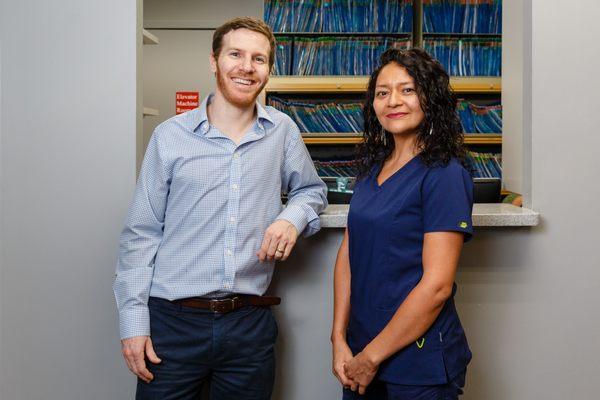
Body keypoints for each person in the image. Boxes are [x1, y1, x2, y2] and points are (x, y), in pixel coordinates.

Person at [114, 17, 327, 400]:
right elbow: (140, 234)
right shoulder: (170, 136)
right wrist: (133, 323)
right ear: (214, 61)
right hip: (173, 325)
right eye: (236, 55)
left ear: (268, 70)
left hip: (249, 324)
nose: (247, 67)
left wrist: (290, 219)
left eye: (259, 59)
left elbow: (311, 192)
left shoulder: (282, 131)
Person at [331, 48, 474, 400]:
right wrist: (337, 338)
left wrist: (371, 357)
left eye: (408, 90)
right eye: (382, 92)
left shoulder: (444, 174)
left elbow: (437, 286)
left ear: (431, 98)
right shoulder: (371, 170)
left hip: (417, 363)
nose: (393, 101)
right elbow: (349, 254)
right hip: (359, 351)